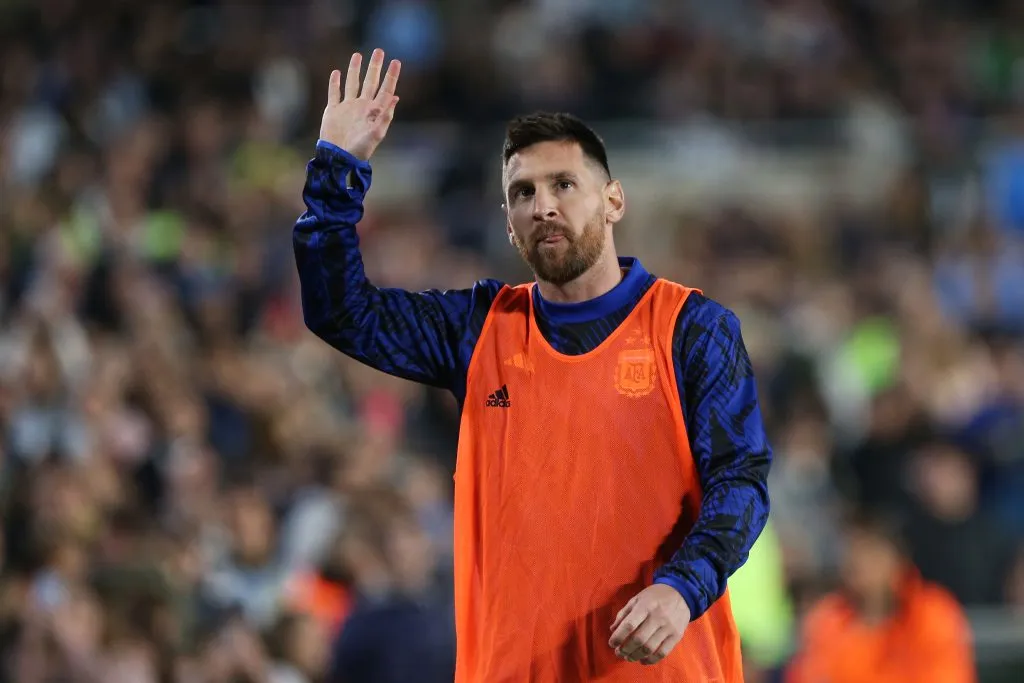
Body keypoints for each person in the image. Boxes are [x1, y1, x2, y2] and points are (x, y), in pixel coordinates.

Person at [294, 48, 772, 682]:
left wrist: (683, 588)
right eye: (523, 193)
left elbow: (741, 480)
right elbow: (340, 312)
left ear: (614, 201)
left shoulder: (691, 329)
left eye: (563, 185)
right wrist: (338, 167)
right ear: (509, 223)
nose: (543, 205)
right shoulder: (478, 329)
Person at [786, 512, 976, 683]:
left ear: (897, 560)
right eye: (852, 551)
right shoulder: (826, 620)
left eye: (871, 552)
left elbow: (949, 675)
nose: (858, 562)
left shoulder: (934, 615)